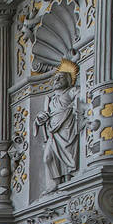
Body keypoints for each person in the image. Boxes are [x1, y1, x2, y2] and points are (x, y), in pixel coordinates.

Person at [34, 64, 80, 192]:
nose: (57, 81)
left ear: (69, 80)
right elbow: (46, 115)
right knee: (47, 157)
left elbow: (80, 97)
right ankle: (55, 182)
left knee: (68, 153)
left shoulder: (71, 91)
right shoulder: (50, 99)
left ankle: (68, 177)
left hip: (67, 128)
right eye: (55, 79)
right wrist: (39, 119)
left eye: (61, 78)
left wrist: (72, 106)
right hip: (53, 132)